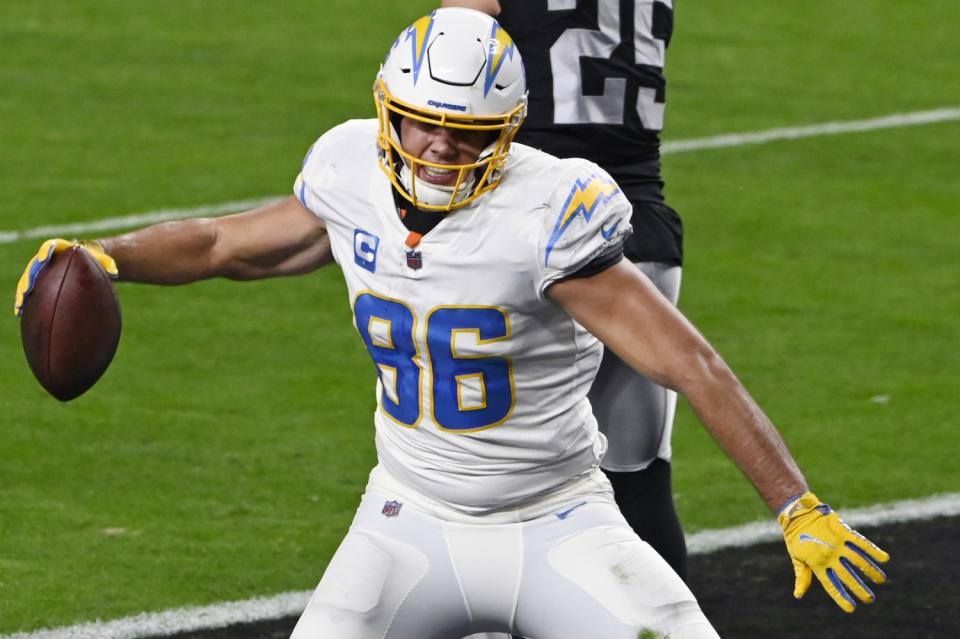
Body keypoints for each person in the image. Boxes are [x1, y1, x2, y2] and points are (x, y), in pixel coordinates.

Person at [15, 8, 888, 639]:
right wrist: (106, 257)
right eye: (423, 126)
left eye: (466, 134)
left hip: (560, 520)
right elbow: (220, 243)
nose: (440, 150)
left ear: (507, 134)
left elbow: (692, 364)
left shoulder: (548, 207)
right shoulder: (350, 171)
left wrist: (795, 503)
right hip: (407, 519)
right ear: (389, 114)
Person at [441, 0, 689, 579]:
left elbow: (447, 67)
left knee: (496, 476)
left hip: (534, 229)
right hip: (641, 231)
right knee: (639, 475)